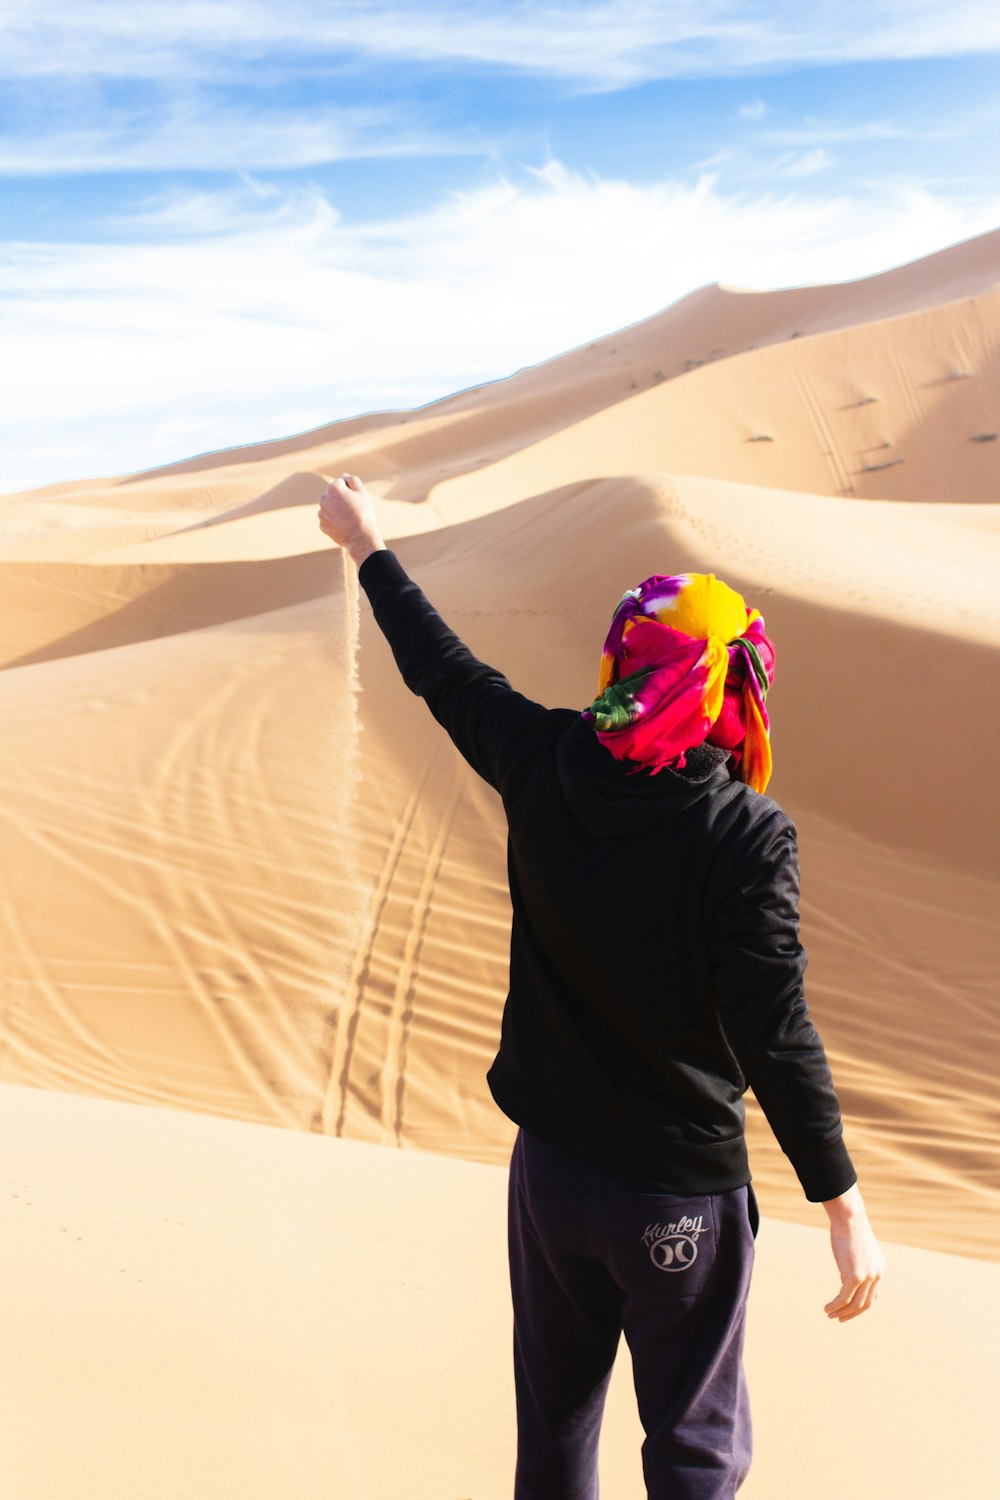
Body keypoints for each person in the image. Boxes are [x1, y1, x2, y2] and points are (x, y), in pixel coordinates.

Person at [317, 473, 886, 1500]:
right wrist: (839, 1199)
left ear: (626, 663)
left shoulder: (542, 759)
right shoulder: (744, 835)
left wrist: (367, 545)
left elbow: (441, 673)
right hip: (676, 1198)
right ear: (728, 688)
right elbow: (774, 1029)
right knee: (693, 1453)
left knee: (556, 1438)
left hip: (552, 1183)